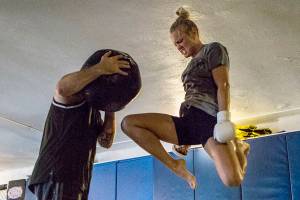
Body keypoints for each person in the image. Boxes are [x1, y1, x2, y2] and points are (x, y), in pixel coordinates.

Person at [121, 7, 250, 189]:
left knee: (232, 180)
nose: (179, 47)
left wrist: (224, 119)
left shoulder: (213, 50)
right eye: (176, 45)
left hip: (209, 122)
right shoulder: (187, 69)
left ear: (194, 33)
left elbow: (224, 85)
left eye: (180, 41)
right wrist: (186, 144)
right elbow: (191, 101)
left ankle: (241, 148)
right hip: (188, 121)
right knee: (129, 124)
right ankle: (175, 164)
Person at [28, 51, 130, 200]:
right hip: (57, 175)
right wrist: (100, 68)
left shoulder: (93, 112)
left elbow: (105, 142)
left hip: (75, 182)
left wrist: (111, 108)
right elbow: (61, 89)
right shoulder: (75, 98)